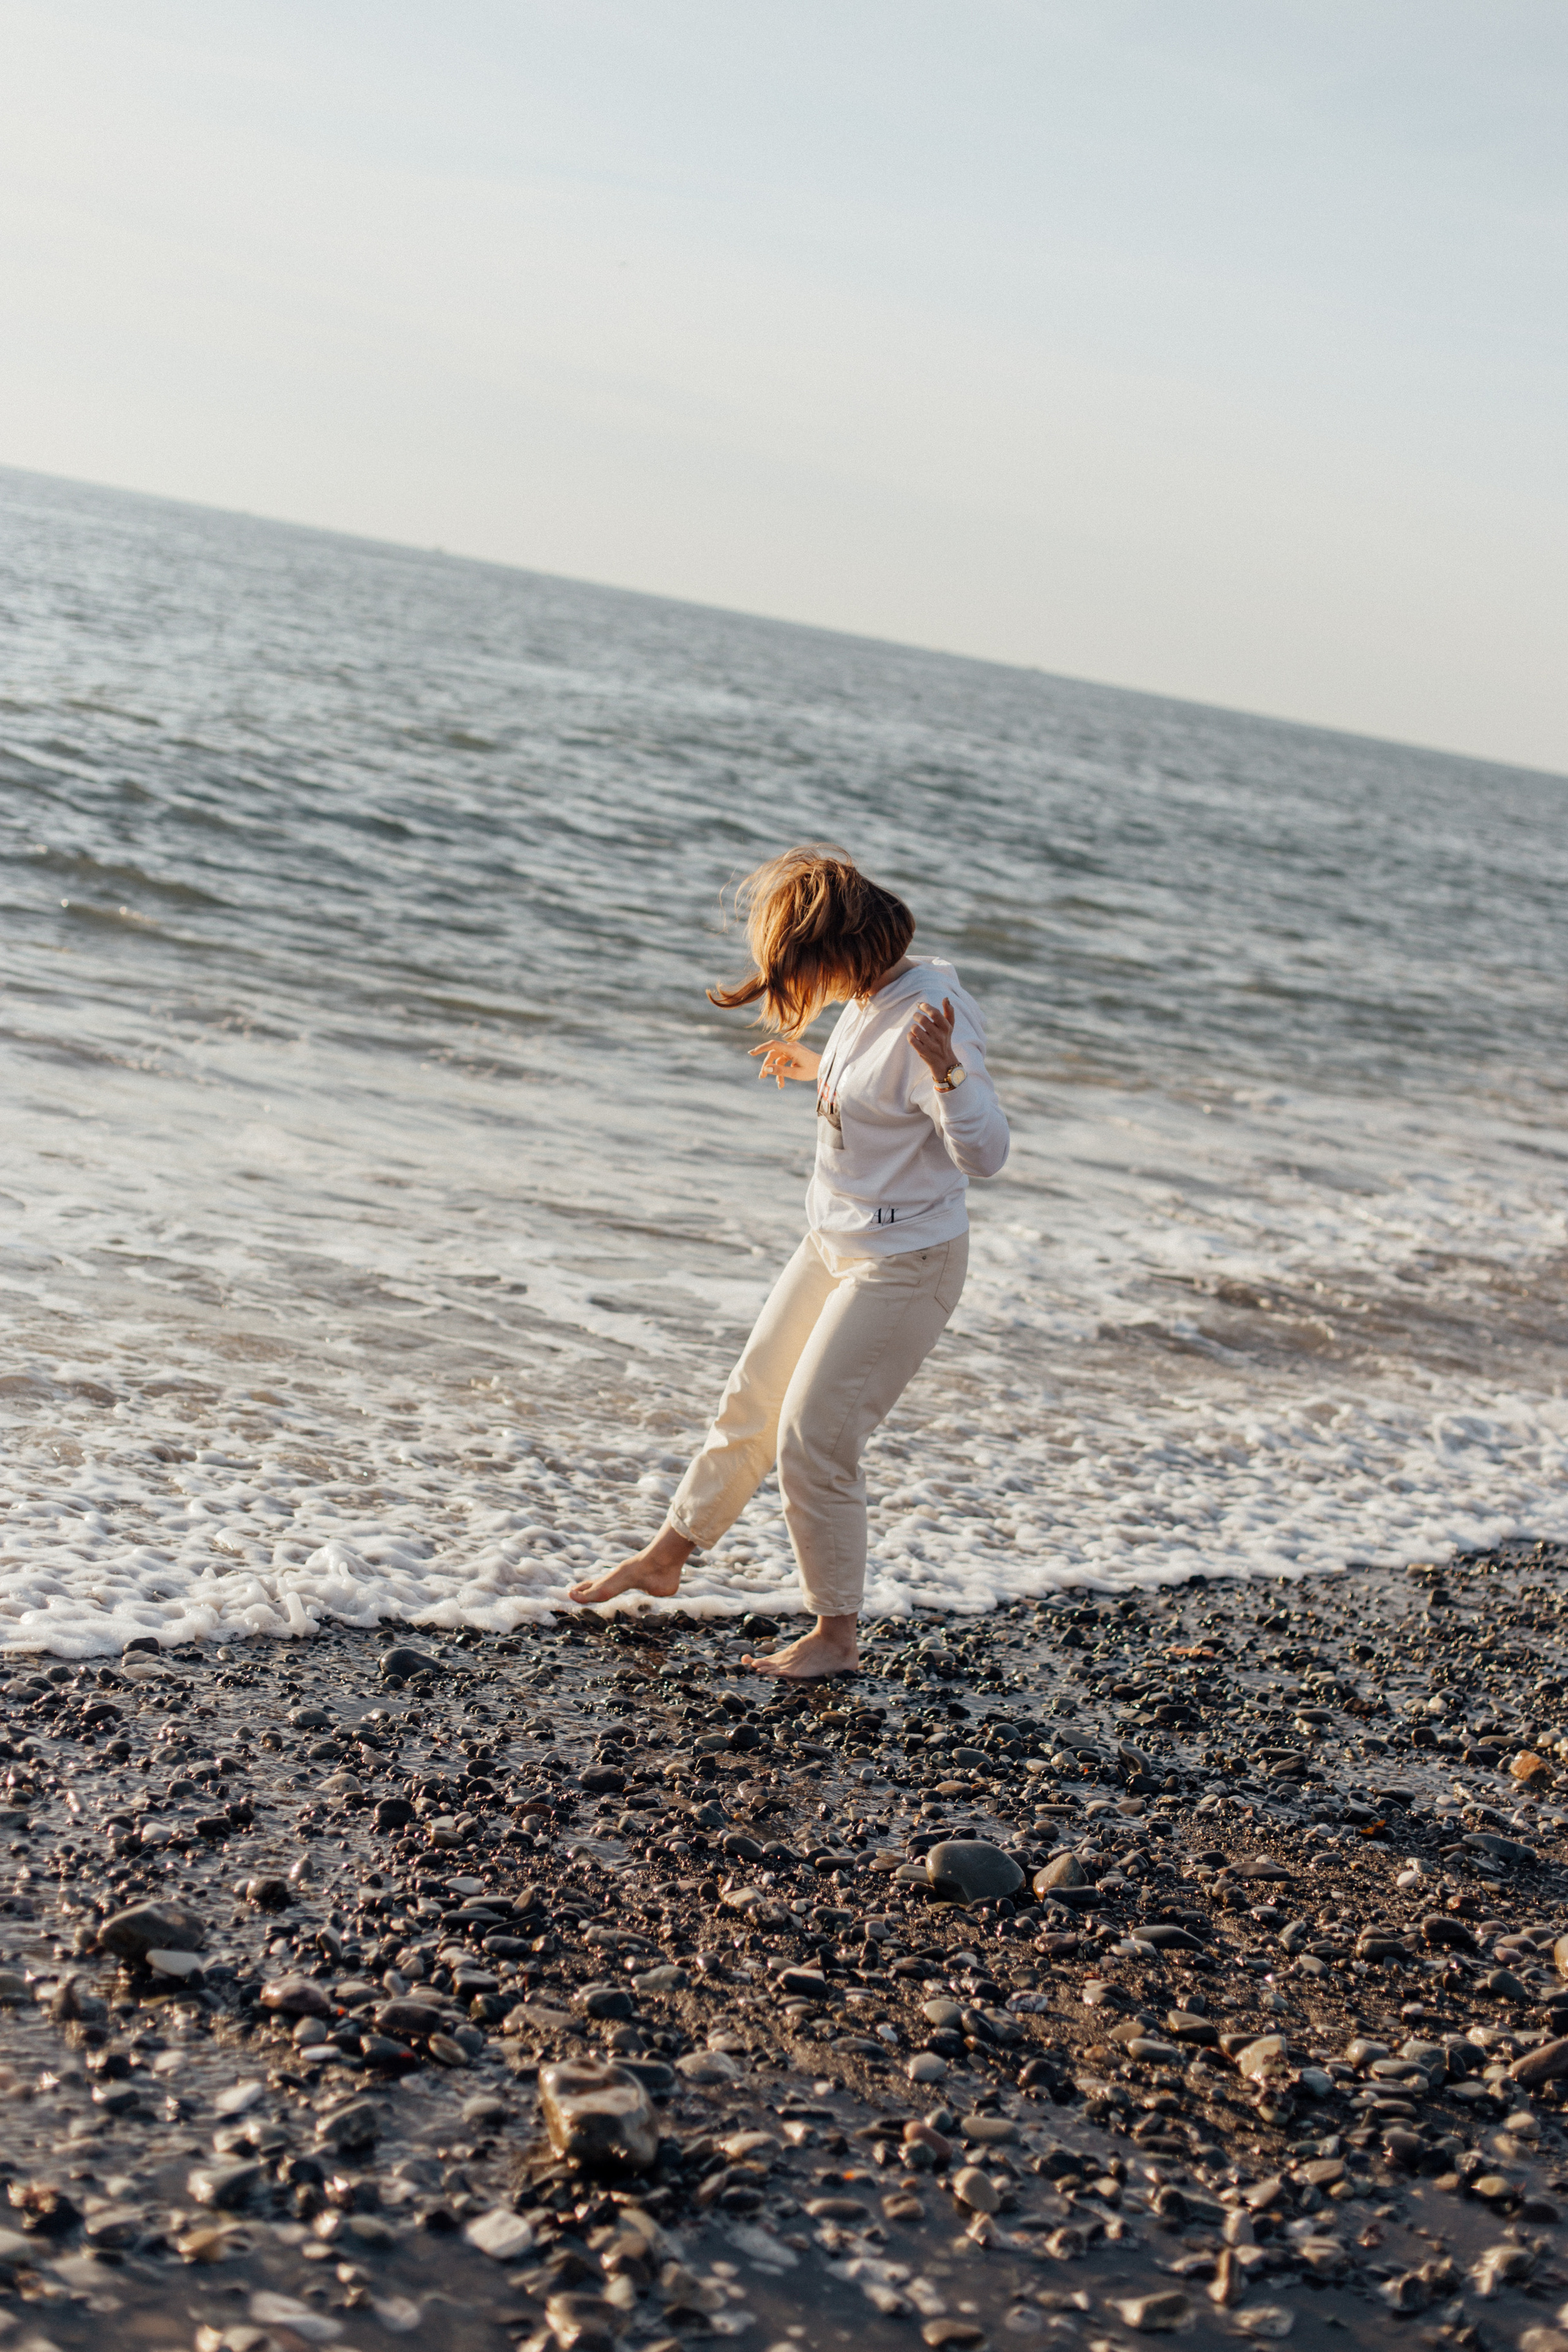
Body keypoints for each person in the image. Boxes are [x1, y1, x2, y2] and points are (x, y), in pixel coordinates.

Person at [567, 844, 1009, 1677]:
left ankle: (834, 1637)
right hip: (835, 1241)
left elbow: (984, 1154)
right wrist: (819, 1069)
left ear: (843, 946)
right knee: (752, 1401)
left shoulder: (933, 1014)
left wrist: (949, 1073)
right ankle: (667, 1557)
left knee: (814, 1439)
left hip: (906, 1263)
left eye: (804, 962)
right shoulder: (869, 995)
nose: (802, 984)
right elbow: (879, 1100)